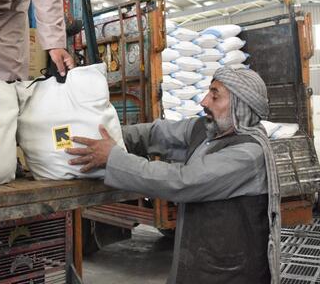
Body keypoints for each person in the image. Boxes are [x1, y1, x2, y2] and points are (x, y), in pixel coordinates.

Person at [67, 66, 280, 284]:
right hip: (197, 265)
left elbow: (182, 181)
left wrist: (113, 157)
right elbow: (155, 134)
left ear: (240, 106)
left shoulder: (248, 154)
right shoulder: (206, 129)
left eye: (215, 96)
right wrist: (110, 136)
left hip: (231, 273)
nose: (204, 101)